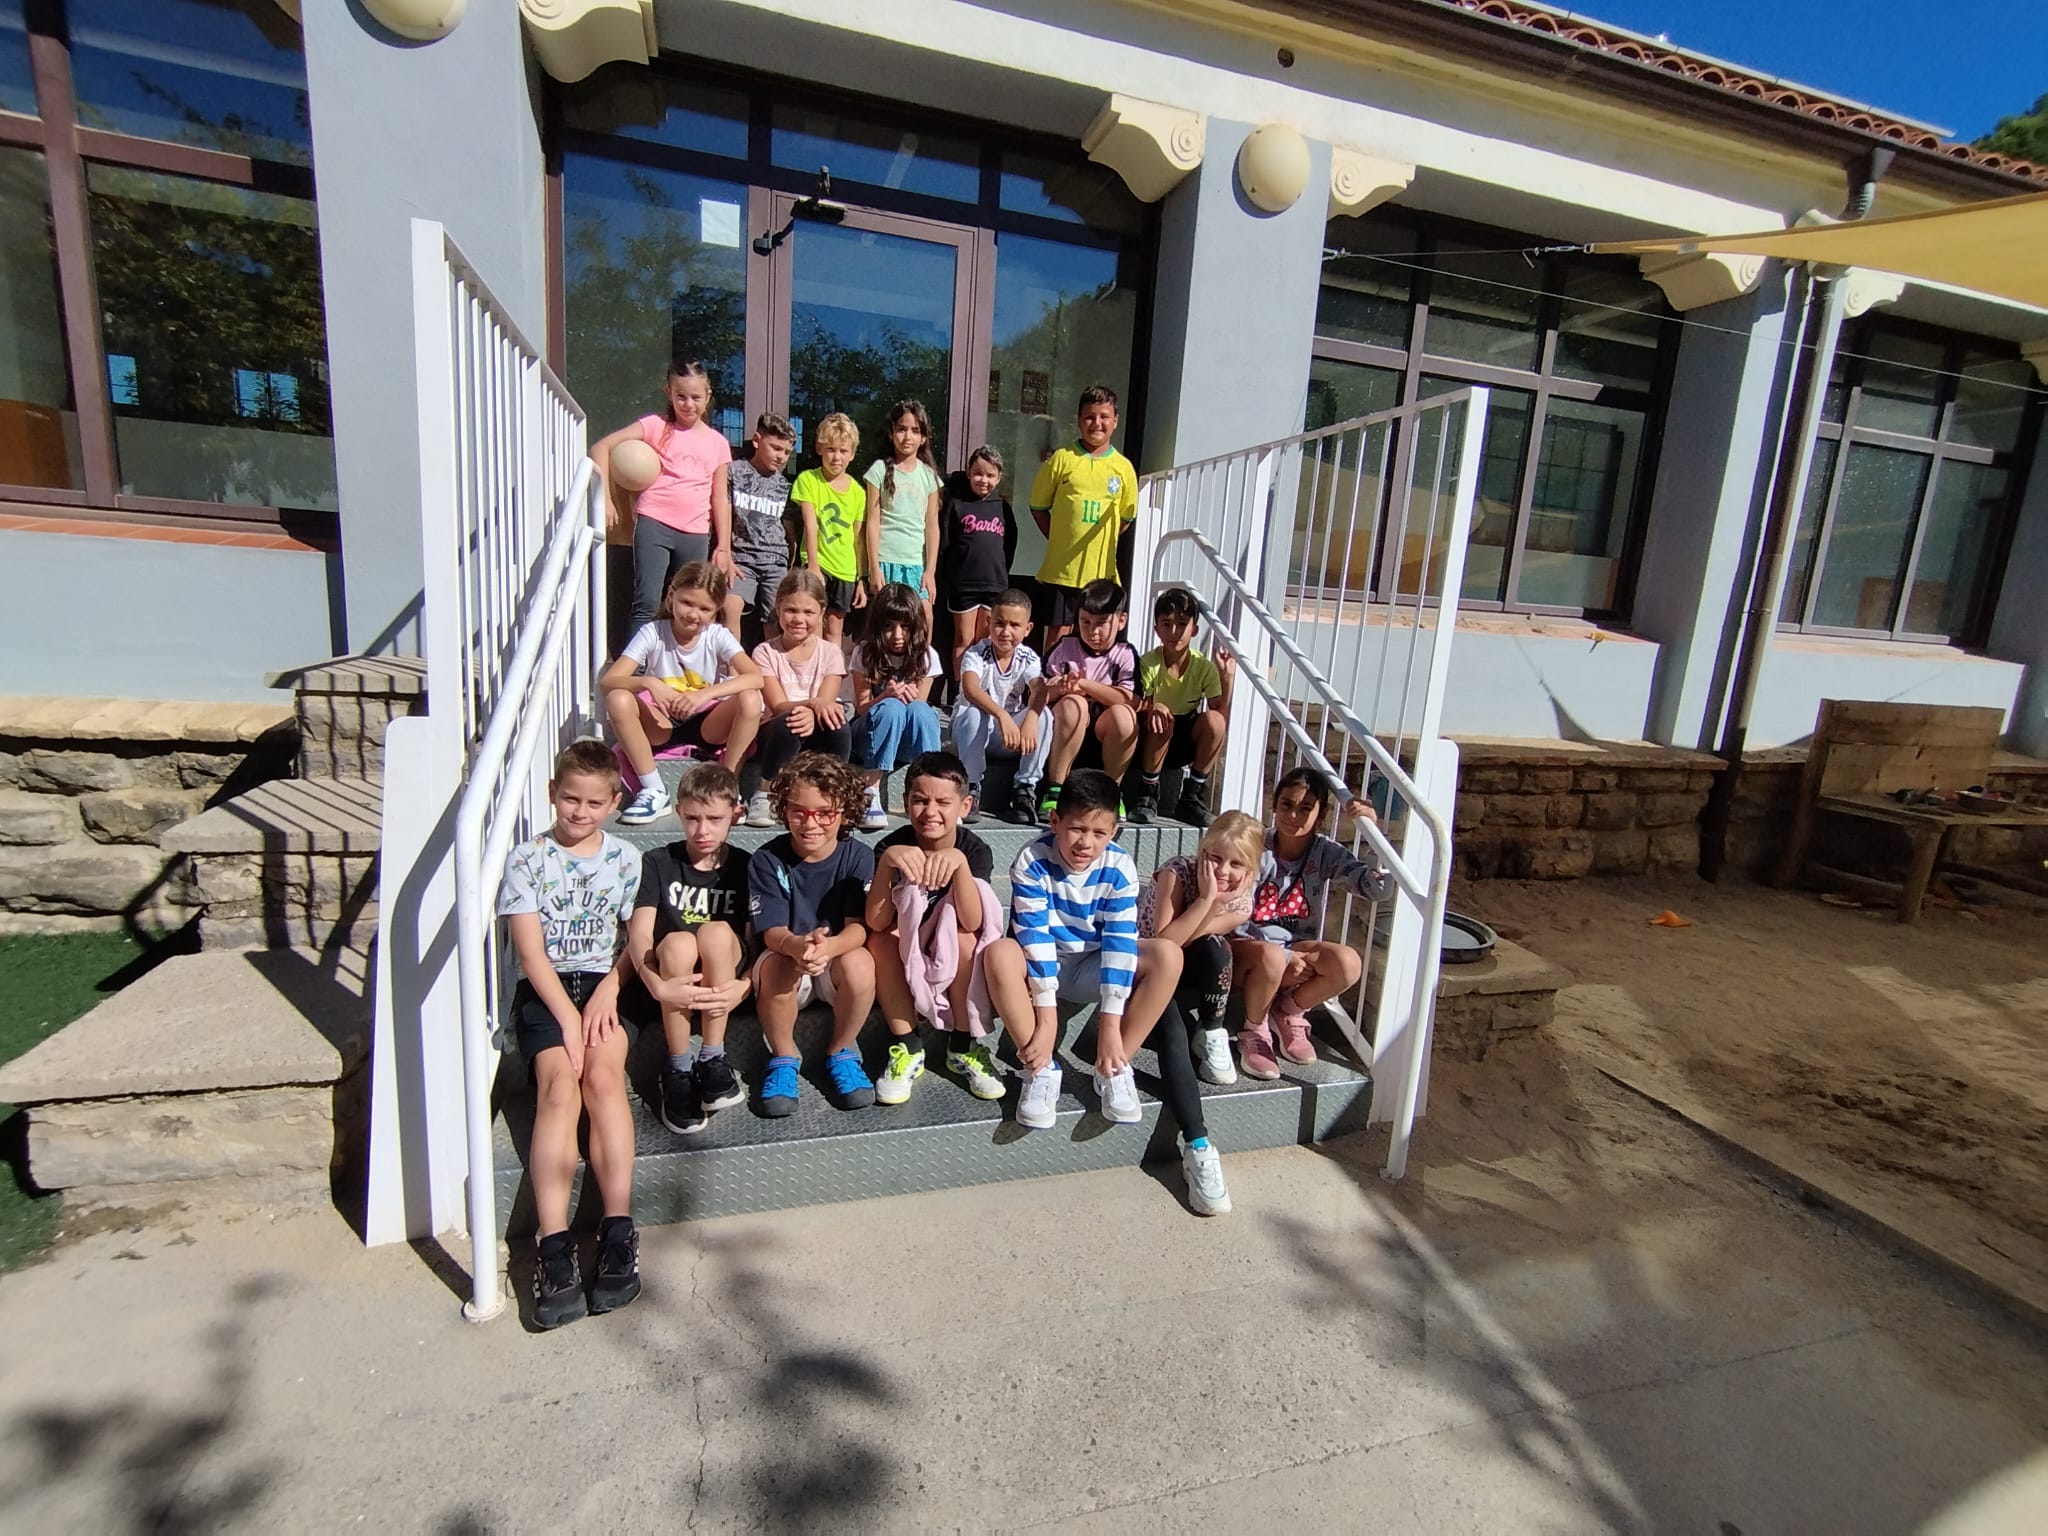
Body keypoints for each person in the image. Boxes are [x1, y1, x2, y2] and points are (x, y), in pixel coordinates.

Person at [496, 739, 647, 1327]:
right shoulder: (527, 859)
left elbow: (636, 943)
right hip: (548, 991)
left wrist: (609, 990)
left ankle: (617, 1230)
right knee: (560, 1088)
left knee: (604, 1081)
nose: (580, 812)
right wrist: (567, 1018)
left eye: (593, 802)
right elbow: (531, 955)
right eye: (569, 799)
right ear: (552, 794)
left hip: (607, 984)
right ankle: (553, 1244)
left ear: (614, 803)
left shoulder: (627, 859)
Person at [979, 769, 1186, 1138]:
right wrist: (1047, 1021)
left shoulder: (1119, 867)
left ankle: (1114, 1066)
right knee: (999, 953)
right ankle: (1040, 1069)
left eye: (1099, 833)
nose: (1085, 843)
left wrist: (1110, 1025)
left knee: (1168, 956)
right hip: (1041, 967)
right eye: (1076, 829)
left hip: (1094, 965)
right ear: (1055, 821)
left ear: (1114, 832)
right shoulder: (1031, 860)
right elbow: (1034, 938)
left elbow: (1120, 944)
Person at [862, 751, 1007, 1107]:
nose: (930, 812)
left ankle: (963, 1045)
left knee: (965, 938)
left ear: (965, 806)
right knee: (879, 940)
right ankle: (908, 1045)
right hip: (907, 946)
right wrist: (887, 864)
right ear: (905, 802)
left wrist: (960, 866)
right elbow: (877, 921)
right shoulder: (891, 846)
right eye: (920, 800)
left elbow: (973, 922)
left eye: (943, 802)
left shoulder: (974, 850)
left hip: (952, 947)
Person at [1231, 766, 1393, 1080]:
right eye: (1287, 805)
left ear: (1321, 814)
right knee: (1274, 957)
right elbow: (1235, 914)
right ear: (1274, 805)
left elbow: (1378, 889)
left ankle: (1288, 1010)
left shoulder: (1324, 852)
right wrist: (1284, 957)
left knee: (1347, 963)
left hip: (1293, 948)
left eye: (1306, 808)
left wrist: (1375, 837)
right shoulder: (1256, 846)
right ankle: (1255, 1030)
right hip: (1248, 949)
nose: (1294, 815)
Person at [624, 761, 752, 1137]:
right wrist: (655, 984)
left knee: (714, 932)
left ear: (735, 814)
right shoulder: (658, 861)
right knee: (680, 942)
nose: (702, 830)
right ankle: (678, 1068)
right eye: (693, 818)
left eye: (714, 819)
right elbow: (640, 935)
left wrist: (745, 986)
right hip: (673, 977)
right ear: (679, 812)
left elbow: (756, 940)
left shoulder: (745, 866)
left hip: (724, 977)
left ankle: (713, 1058)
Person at [747, 753, 878, 1116]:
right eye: (799, 812)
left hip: (833, 963)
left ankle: (841, 1049)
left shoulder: (858, 857)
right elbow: (772, 932)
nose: (811, 823)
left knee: (860, 963)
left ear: (845, 813)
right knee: (778, 965)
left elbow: (858, 927)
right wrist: (797, 946)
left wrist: (829, 946)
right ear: (783, 808)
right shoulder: (767, 859)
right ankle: (784, 1056)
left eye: (824, 813)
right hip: (788, 959)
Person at [600, 561, 764, 826]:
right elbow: (609, 681)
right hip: (661, 722)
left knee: (751, 698)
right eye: (687, 603)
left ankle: (727, 787)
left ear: (716, 610)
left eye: (704, 609)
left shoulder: (717, 635)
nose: (693, 614)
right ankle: (653, 789)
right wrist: (649, 683)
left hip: (707, 724)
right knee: (618, 698)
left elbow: (755, 677)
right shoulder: (653, 632)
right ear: (671, 595)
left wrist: (706, 694)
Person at [590, 359, 735, 633]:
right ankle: (636, 660)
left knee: (689, 603)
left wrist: (723, 546)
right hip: (654, 524)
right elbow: (601, 447)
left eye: (696, 397)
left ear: (707, 396)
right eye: (681, 396)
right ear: (668, 392)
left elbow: (719, 498)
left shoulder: (718, 443)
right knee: (647, 601)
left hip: (695, 532)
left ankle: (677, 658)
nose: (688, 404)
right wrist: (606, 499)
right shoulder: (655, 425)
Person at [1137, 811, 1262, 1089]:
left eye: (1236, 864)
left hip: (1191, 963)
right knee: (1173, 1039)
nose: (1223, 871)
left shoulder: (1241, 903)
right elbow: (1166, 941)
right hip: (1151, 965)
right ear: (1202, 851)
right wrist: (1207, 900)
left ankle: (1211, 1029)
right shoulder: (1176, 872)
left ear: (1250, 871)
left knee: (1216, 946)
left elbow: (1194, 939)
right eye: (1215, 858)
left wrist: (1216, 903)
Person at [1031, 385, 1137, 652]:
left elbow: (1125, 518)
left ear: (1115, 421)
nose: (1097, 423)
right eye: (1089, 417)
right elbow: (1038, 506)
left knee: (1097, 637)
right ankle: (1050, 679)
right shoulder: (1061, 459)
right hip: (1061, 572)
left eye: (1104, 416)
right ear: (1079, 420)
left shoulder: (1123, 468)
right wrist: (1059, 538)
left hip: (1101, 574)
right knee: (1057, 638)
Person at [748, 569, 850, 827]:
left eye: (808, 612)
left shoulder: (830, 653)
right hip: (777, 733)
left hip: (816, 728)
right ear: (778, 608)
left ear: (821, 612)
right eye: (791, 610)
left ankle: (836, 792)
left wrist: (815, 707)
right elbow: (778, 705)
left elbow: (826, 702)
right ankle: (765, 791)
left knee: (837, 723)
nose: (799, 619)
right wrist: (811, 704)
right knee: (789, 720)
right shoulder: (765, 652)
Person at [1130, 586, 1230, 829]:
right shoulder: (1148, 662)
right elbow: (1141, 704)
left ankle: (1191, 795)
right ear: (1156, 629)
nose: (1174, 631)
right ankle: (1148, 793)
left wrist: (1227, 678)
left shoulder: (1203, 666)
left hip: (1185, 733)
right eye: (1166, 624)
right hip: (1152, 734)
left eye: (1182, 624)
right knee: (1161, 718)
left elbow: (1220, 714)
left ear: (1194, 629)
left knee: (1215, 721)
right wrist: (1155, 707)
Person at [1039, 578, 1139, 821]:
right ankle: (1055, 789)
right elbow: (1038, 694)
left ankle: (1112, 792)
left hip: (1107, 737)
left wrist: (1084, 684)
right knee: (1074, 704)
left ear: (1121, 621)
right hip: (1065, 735)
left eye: (1102, 623)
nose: (1093, 631)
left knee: (1124, 715)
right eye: (1086, 622)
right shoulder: (1064, 647)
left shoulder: (1125, 653)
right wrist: (1061, 688)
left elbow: (1130, 699)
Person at [849, 581, 943, 832]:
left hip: (905, 742)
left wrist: (910, 698)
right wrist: (885, 696)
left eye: (905, 627)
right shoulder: (865, 652)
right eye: (888, 627)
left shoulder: (927, 655)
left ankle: (935, 788)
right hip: (869, 736)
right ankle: (870, 790)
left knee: (922, 710)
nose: (897, 635)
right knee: (891, 707)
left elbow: (918, 709)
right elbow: (861, 708)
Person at [951, 588, 1049, 826]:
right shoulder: (976, 653)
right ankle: (971, 786)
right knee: (974, 713)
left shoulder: (1028, 657)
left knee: (1044, 714)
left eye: (1015, 625)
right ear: (988, 622)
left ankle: (1025, 788)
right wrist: (1002, 715)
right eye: (999, 623)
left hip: (1008, 737)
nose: (1006, 632)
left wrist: (1031, 718)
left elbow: (1040, 689)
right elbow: (971, 689)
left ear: (1028, 629)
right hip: (972, 734)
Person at [938, 446, 1017, 681]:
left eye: (990, 475)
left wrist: (1000, 573)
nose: (984, 480)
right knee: (964, 639)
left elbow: (1009, 546)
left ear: (999, 477)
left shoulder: (1002, 508)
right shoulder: (957, 504)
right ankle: (960, 692)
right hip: (963, 585)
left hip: (993, 584)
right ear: (968, 473)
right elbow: (945, 543)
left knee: (985, 641)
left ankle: (981, 690)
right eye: (978, 474)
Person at [863, 399, 942, 625]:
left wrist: (930, 571)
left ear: (923, 438)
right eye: (901, 429)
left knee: (924, 617)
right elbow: (872, 521)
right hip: (886, 560)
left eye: (915, 431)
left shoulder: (929, 476)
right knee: (886, 620)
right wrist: (874, 567)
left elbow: (932, 526)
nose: (908, 437)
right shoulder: (879, 470)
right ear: (891, 433)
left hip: (916, 564)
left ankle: (921, 653)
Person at [791, 412, 867, 647]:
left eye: (843, 451)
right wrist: (813, 565)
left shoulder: (858, 492)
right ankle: (809, 668)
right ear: (820, 448)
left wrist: (860, 579)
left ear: (852, 454)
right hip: (819, 563)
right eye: (831, 449)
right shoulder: (808, 480)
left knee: (834, 627)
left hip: (845, 569)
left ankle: (831, 670)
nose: (836, 457)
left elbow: (858, 539)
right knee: (812, 624)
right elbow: (810, 523)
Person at [725, 412, 798, 642]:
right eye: (776, 448)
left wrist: (789, 564)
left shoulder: (784, 486)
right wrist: (725, 553)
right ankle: (732, 663)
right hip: (741, 559)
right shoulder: (734, 471)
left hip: (774, 560)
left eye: (787, 452)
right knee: (730, 606)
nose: (781, 457)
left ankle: (771, 663)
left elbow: (789, 531)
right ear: (757, 440)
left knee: (777, 616)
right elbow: (724, 513)